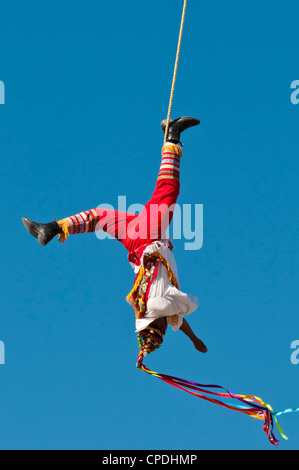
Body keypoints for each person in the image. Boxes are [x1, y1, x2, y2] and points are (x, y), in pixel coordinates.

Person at [22, 117, 208, 363]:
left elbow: (183, 310)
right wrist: (193, 339)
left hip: (148, 237)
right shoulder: (143, 310)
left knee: (167, 190)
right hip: (135, 244)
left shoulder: (161, 306)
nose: (166, 327)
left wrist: (187, 336)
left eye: (162, 329)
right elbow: (176, 320)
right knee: (100, 217)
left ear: (156, 325)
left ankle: (172, 136)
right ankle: (54, 227)